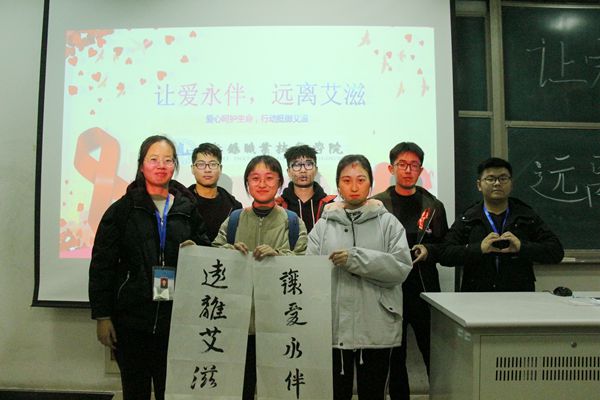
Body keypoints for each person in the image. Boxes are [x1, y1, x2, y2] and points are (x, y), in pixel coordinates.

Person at [89, 135, 210, 400]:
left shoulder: (187, 209)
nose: (161, 165)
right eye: (153, 159)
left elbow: (206, 252)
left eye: (168, 160)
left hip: (176, 321)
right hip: (132, 321)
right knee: (135, 392)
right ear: (141, 164)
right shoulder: (123, 210)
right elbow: (102, 266)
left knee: (173, 392)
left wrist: (200, 249)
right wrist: (102, 316)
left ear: (175, 165)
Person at [306, 154, 413, 400]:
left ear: (371, 184)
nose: (354, 187)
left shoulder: (388, 223)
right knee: (335, 394)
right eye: (346, 180)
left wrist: (355, 259)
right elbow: (310, 272)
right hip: (334, 328)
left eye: (361, 179)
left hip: (377, 326)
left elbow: (400, 268)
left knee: (373, 393)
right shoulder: (323, 226)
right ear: (338, 184)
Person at [212, 155, 308, 400]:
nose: (262, 184)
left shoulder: (293, 223)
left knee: (277, 391)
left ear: (279, 183)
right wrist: (230, 252)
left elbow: (305, 265)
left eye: (269, 178)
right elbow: (215, 257)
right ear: (247, 184)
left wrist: (278, 257)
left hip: (279, 325)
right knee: (238, 389)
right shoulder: (234, 220)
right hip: (238, 326)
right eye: (255, 178)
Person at [371, 142, 448, 399]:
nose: (408, 170)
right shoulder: (377, 205)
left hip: (424, 289)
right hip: (390, 289)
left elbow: (446, 247)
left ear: (421, 170)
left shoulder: (433, 205)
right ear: (391, 168)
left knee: (433, 352)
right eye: (402, 164)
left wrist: (430, 251)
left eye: (414, 165)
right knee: (395, 354)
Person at [439, 157, 564, 292]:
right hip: (477, 296)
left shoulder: (526, 216)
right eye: (490, 179)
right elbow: (445, 254)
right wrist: (478, 248)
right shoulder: (468, 218)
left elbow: (556, 252)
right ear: (479, 185)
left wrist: (522, 246)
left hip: (519, 296)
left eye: (503, 178)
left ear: (511, 184)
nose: (497, 183)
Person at [188, 142, 242, 241]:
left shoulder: (234, 207)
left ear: (220, 169)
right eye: (201, 164)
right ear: (192, 169)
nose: (207, 170)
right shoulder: (181, 202)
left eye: (213, 164)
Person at [276, 144, 336, 232]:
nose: (303, 170)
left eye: (308, 164)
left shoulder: (330, 206)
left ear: (316, 170)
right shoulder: (279, 206)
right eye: (296, 165)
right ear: (288, 172)